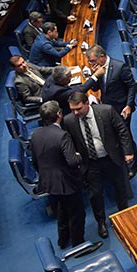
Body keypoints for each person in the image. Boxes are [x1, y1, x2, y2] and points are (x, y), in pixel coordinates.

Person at [64, 91, 134, 239]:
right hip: (90, 162)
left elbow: (122, 130)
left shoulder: (106, 111)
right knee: (95, 194)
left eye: (78, 109)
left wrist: (127, 151)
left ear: (87, 104)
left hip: (111, 158)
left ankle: (124, 214)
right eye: (72, 110)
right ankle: (101, 222)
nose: (75, 113)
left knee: (120, 187)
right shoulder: (69, 121)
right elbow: (70, 142)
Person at [31, 100, 84, 249]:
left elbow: (35, 161)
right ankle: (79, 245)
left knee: (62, 209)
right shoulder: (62, 135)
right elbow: (72, 161)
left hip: (48, 182)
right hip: (67, 182)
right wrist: (79, 156)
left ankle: (63, 240)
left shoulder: (36, 134)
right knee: (76, 213)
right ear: (59, 114)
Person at [85, 46, 137, 175]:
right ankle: (135, 153)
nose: (91, 63)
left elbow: (132, 86)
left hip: (122, 107)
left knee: (124, 134)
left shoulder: (120, 67)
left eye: (92, 60)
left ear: (102, 56)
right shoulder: (98, 69)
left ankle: (132, 165)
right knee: (120, 134)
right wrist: (94, 75)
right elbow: (96, 89)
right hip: (108, 108)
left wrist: (129, 105)